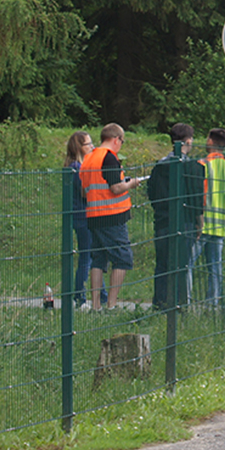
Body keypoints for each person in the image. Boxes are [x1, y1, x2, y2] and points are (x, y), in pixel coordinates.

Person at [79, 123, 144, 310]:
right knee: (123, 258)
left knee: (98, 259)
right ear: (116, 139)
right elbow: (115, 188)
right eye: (121, 141)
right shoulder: (109, 158)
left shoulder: (89, 158)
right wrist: (131, 184)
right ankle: (112, 305)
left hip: (93, 215)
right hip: (112, 216)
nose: (121, 145)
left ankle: (96, 306)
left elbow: (85, 191)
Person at [147, 123, 204, 310]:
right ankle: (179, 304)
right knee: (181, 265)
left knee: (162, 265)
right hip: (186, 221)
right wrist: (199, 222)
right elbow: (197, 200)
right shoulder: (194, 168)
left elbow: (152, 193)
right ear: (188, 141)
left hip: (163, 221)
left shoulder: (159, 166)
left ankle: (160, 303)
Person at [64, 131, 106, 309]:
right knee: (87, 257)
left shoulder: (76, 166)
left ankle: (101, 296)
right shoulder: (77, 168)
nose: (92, 147)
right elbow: (85, 192)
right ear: (79, 147)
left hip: (83, 216)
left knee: (93, 256)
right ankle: (80, 296)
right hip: (83, 216)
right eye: (88, 144)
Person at [195, 128, 225, 305]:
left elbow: (201, 195)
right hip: (221, 226)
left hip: (203, 223)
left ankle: (186, 302)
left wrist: (199, 218)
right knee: (215, 266)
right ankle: (212, 302)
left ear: (211, 142)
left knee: (188, 263)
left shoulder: (202, 165)